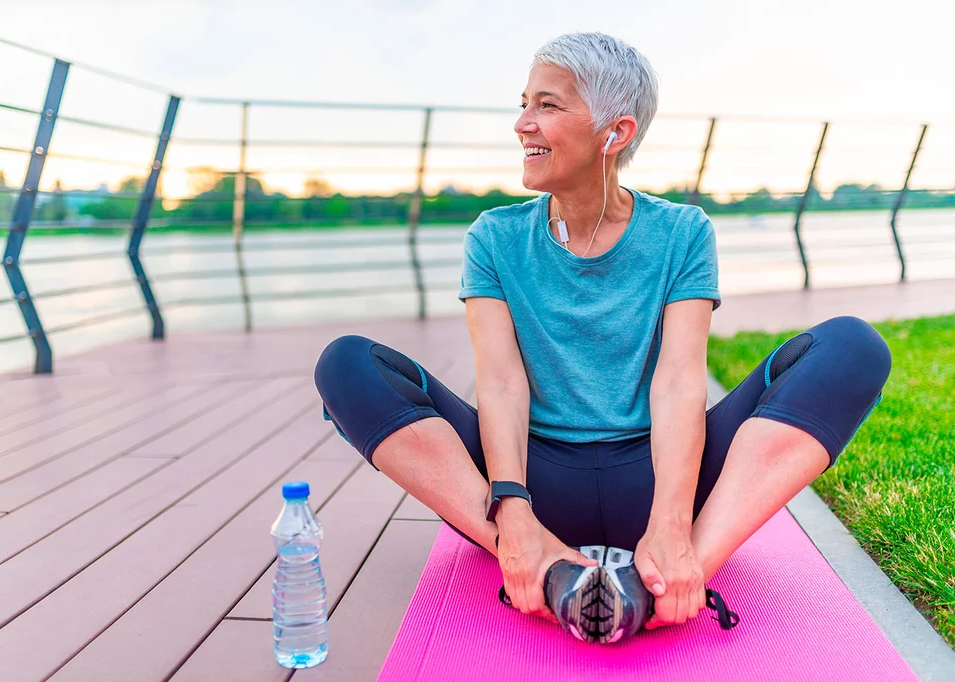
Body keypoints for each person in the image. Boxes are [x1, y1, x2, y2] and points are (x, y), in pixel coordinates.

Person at [314, 32, 891, 643]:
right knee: (346, 365)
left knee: (852, 348)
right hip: (531, 486)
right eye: (524, 102)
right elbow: (503, 384)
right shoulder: (494, 237)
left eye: (547, 105)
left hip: (662, 477)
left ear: (614, 134)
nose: (522, 124)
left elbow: (677, 383)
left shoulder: (682, 231)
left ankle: (679, 568)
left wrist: (670, 519)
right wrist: (512, 511)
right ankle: (540, 560)